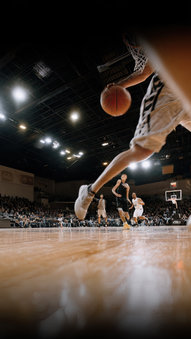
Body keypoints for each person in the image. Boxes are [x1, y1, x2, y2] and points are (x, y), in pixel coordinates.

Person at [74, 32, 191, 221]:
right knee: (141, 151)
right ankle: (89, 191)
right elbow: (146, 70)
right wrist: (118, 86)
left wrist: (119, 85)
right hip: (169, 88)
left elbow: (145, 70)